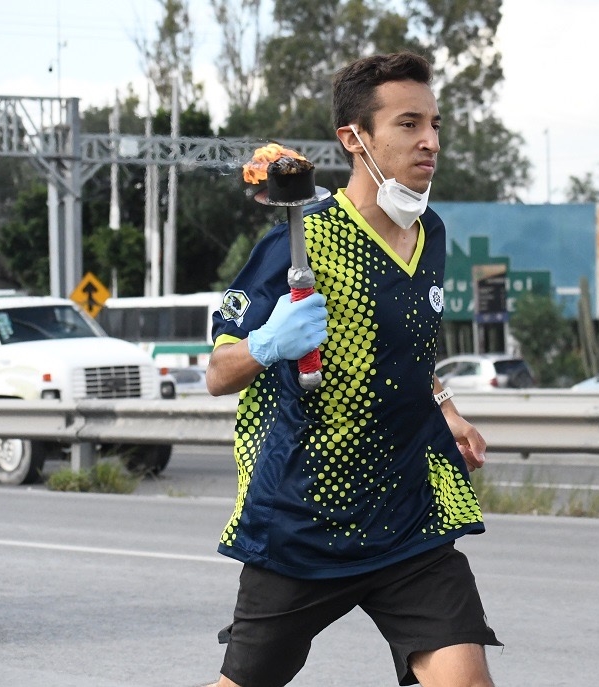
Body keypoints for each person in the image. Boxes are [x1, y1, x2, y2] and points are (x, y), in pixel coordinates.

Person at [204, 51, 501, 687]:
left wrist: (445, 407)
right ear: (354, 138)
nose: (430, 141)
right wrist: (268, 343)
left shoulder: (432, 233)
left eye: (435, 124)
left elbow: (406, 350)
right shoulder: (299, 240)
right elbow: (218, 373)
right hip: (306, 520)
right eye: (408, 124)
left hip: (408, 516)